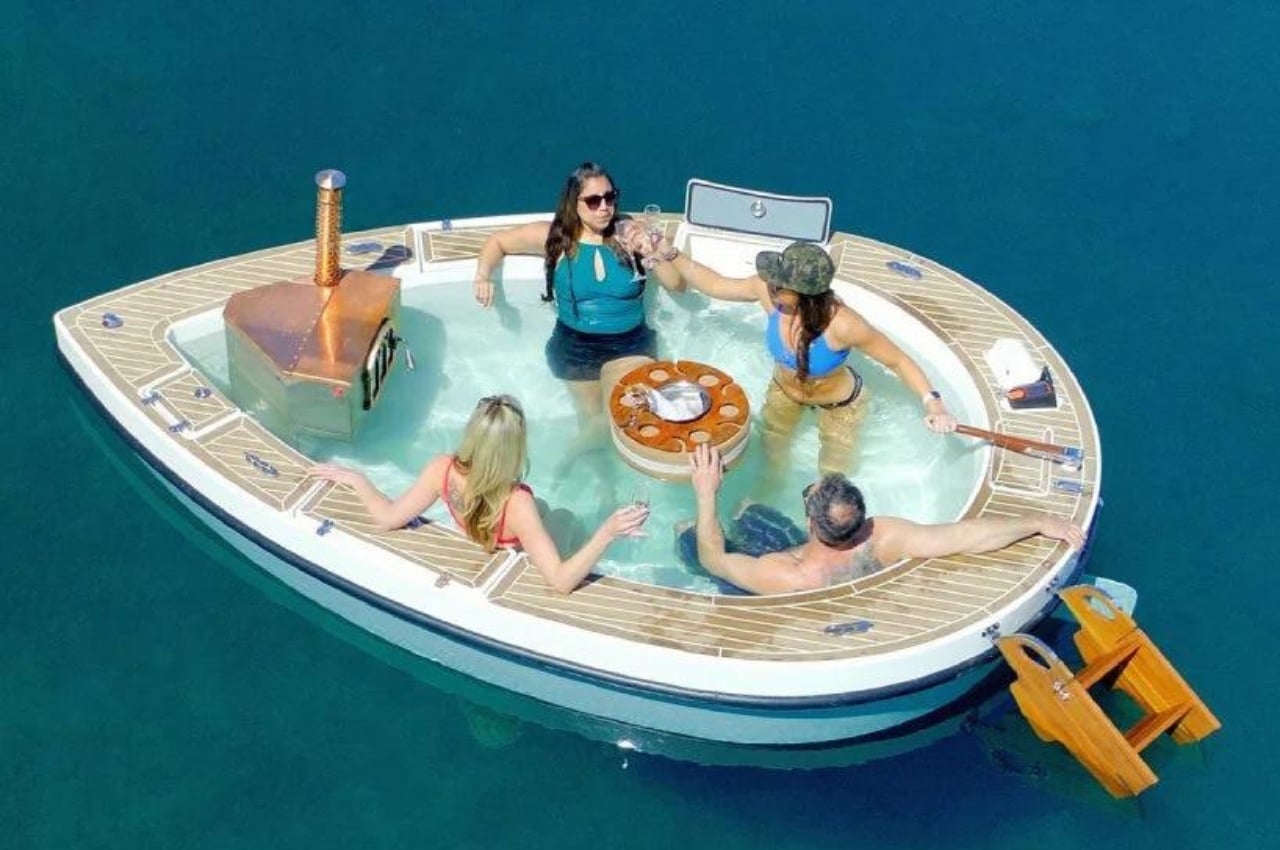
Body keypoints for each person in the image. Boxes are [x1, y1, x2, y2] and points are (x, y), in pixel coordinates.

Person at [661, 239, 956, 477]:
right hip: (784, 392)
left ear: (805, 294)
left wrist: (934, 404)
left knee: (832, 473)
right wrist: (670, 252)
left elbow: (898, 361)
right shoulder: (768, 293)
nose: (771, 284)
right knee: (770, 459)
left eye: (780, 284)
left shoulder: (843, 324)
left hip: (839, 405)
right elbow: (715, 285)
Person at [307, 394, 649, 594]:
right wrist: (608, 532)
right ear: (513, 449)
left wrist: (358, 479)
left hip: (484, 529)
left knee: (542, 507)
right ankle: (579, 546)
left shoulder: (442, 469)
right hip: (510, 540)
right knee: (563, 516)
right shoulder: (517, 503)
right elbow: (559, 582)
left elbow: (387, 518)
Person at [684, 444, 1084, 595]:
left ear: (811, 524)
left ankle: (686, 527)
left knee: (688, 534)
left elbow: (712, 559)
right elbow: (967, 535)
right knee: (749, 509)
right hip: (836, 576)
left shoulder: (785, 574)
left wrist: (705, 493)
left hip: (777, 597)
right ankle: (741, 511)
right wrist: (1037, 522)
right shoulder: (882, 537)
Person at [471, 162, 685, 424]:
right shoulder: (556, 238)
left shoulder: (629, 232)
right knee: (594, 421)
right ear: (574, 203)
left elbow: (676, 285)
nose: (604, 206)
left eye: (610, 197)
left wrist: (649, 250)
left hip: (630, 343)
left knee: (627, 417)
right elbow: (498, 241)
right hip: (577, 347)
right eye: (594, 201)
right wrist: (482, 276)